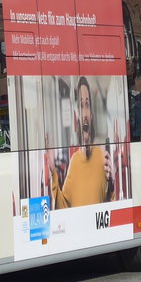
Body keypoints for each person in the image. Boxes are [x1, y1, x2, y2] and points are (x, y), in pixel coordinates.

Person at [50, 77, 112, 209]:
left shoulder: (102, 158)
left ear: (92, 115)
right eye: (81, 106)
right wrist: (52, 171)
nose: (84, 113)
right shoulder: (74, 161)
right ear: (77, 115)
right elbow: (64, 205)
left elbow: (112, 204)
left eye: (87, 105)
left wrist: (112, 183)